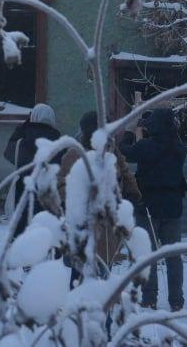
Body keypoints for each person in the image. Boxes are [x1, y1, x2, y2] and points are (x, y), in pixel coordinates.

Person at [119, 107, 187, 311]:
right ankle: (176, 300)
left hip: (147, 207)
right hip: (173, 208)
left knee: (149, 255)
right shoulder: (179, 148)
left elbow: (125, 150)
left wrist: (131, 131)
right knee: (174, 256)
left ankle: (150, 298)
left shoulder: (146, 147)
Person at [59, 111, 142, 272]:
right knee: (82, 272)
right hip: (84, 223)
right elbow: (61, 184)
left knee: (104, 268)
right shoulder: (75, 153)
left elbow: (125, 172)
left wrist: (133, 194)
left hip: (108, 225)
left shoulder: (111, 151)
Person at [4, 104, 62, 235]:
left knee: (23, 230)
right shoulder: (57, 139)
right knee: (44, 231)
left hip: (24, 188)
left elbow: (9, 154)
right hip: (47, 191)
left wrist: (22, 127)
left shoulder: (23, 137)